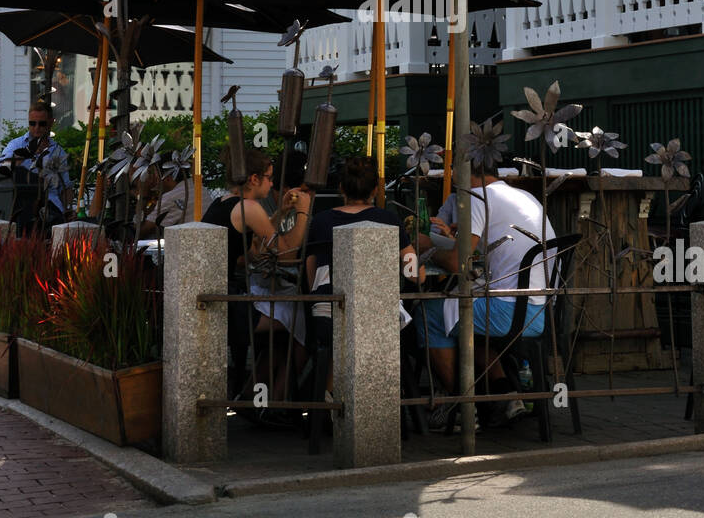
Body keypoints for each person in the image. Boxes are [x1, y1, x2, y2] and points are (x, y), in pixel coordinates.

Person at [415, 169, 557, 431]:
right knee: (466, 320)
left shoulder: (477, 197)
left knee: (429, 312)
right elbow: (482, 252)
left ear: (469, 170)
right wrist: (453, 240)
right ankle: (506, 395)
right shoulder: (522, 195)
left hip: (510, 311)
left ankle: (461, 406)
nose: (452, 176)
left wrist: (426, 247)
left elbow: (457, 263)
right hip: (540, 310)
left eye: (455, 169)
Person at [202, 147, 309, 399]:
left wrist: (282, 212)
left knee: (286, 328)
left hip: (215, 298)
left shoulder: (223, 203)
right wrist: (303, 212)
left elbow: (252, 253)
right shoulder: (249, 207)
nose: (272, 183)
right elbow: (287, 254)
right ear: (254, 179)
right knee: (302, 317)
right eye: (269, 178)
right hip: (227, 307)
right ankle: (280, 400)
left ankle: (253, 397)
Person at [305, 155, 422, 358]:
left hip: (329, 311)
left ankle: (329, 378)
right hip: (378, 313)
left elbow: (311, 270)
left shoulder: (320, 221)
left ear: (341, 187)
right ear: (375, 190)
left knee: (334, 353)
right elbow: (413, 273)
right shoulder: (388, 219)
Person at [0, 97, 72, 231]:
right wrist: (25, 153)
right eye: (32, 123)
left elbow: (65, 188)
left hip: (50, 208)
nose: (36, 128)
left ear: (51, 123)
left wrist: (68, 210)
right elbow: (2, 170)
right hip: (21, 205)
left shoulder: (58, 152)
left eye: (41, 124)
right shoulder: (16, 145)